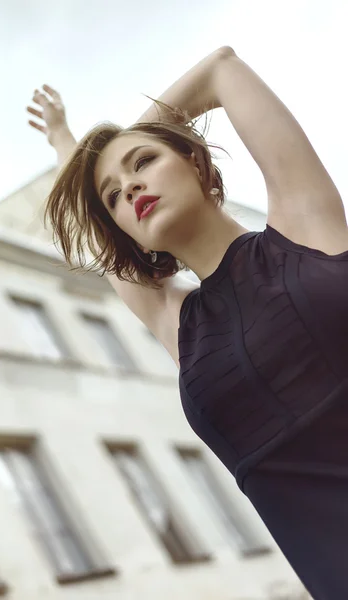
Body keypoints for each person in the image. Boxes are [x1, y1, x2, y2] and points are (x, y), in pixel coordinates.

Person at [27, 46, 348, 600]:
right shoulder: (179, 326)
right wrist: (66, 145)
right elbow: (88, 220)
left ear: (196, 162)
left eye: (143, 163)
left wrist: (112, 144)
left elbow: (221, 67)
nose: (128, 188)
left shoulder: (303, 227)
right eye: (112, 195)